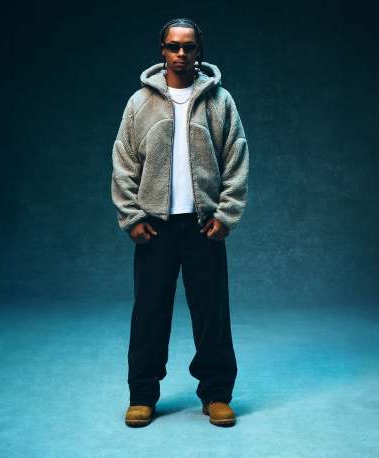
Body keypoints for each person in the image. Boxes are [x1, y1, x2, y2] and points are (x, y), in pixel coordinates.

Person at [111, 18, 249, 427]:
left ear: (199, 51)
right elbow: (123, 161)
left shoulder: (220, 101)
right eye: (174, 46)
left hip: (204, 226)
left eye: (188, 47)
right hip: (155, 227)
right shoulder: (139, 103)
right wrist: (132, 216)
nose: (181, 53)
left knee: (212, 315)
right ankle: (142, 395)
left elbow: (237, 157)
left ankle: (217, 394)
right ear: (163, 50)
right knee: (149, 314)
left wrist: (226, 214)